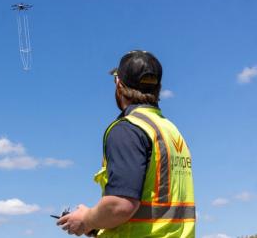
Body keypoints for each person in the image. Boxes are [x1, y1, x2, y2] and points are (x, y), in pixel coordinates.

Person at [57, 50, 195, 237]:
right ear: (158, 88)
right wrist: (97, 224)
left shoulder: (128, 129)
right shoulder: (170, 131)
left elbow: (120, 205)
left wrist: (86, 218)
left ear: (119, 85)